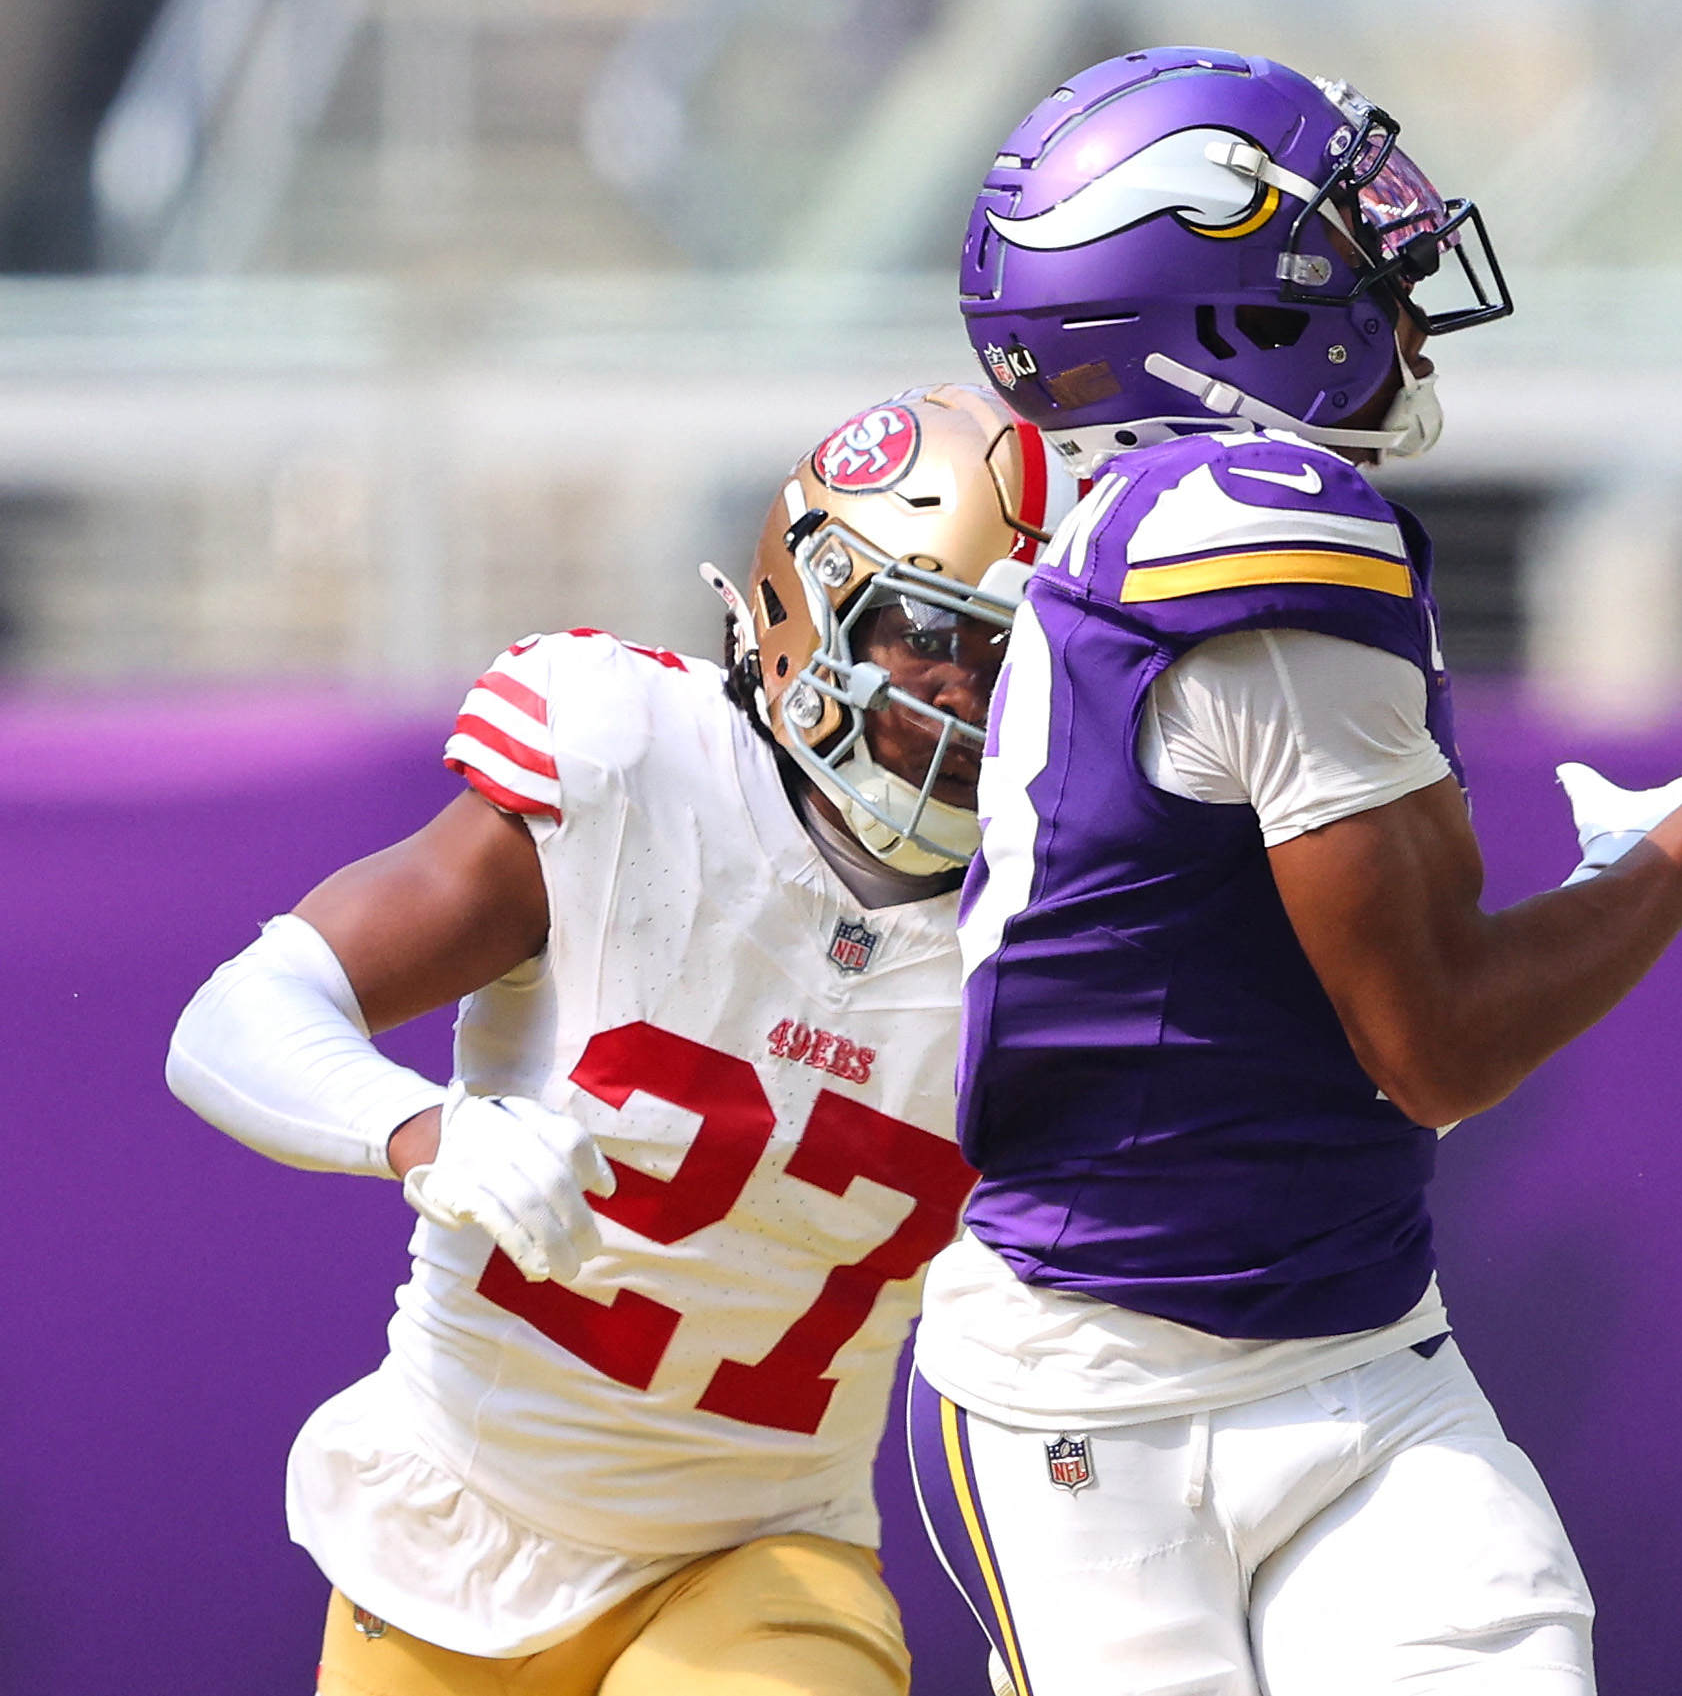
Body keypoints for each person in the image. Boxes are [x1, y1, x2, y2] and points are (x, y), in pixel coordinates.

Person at [903, 45, 1682, 1696]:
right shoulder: (1249, 530)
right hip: (1097, 1398)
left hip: (1353, 1345)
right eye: (1344, 245)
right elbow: (1434, 1044)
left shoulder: (1159, 513)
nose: (1398, 275)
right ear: (1219, 305)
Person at [164, 386, 1070, 1695]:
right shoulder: (632, 762)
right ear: (808, 606)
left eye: (1014, 660)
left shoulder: (1060, 914)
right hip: (451, 1519)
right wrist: (425, 1129)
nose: (966, 695)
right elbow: (238, 1014)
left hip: (764, 1548)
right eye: (934, 634)